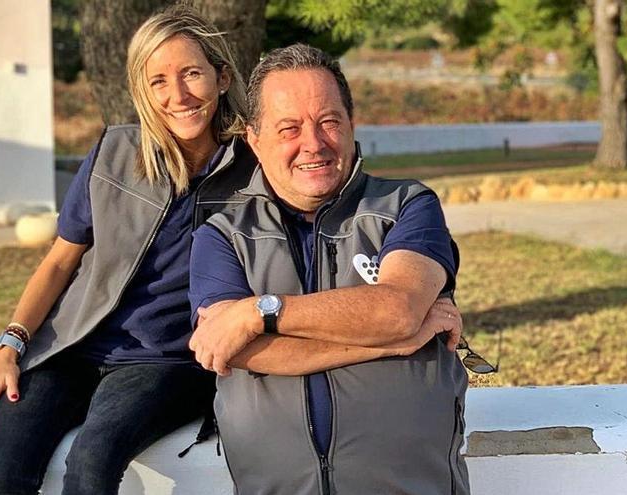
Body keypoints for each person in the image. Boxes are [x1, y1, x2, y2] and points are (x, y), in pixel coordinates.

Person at [0, 6, 256, 494]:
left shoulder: (255, 169)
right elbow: (61, 260)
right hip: (69, 349)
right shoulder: (113, 153)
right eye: (159, 82)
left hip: (166, 360)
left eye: (192, 73)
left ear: (223, 76)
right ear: (142, 92)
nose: (179, 96)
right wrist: (10, 345)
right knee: (2, 475)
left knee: (90, 466)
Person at [188, 44, 471, 494]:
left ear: (351, 124)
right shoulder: (222, 235)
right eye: (289, 128)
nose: (313, 144)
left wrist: (256, 313)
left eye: (329, 122)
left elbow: (396, 310)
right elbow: (234, 351)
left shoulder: (406, 207)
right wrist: (394, 344)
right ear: (254, 140)